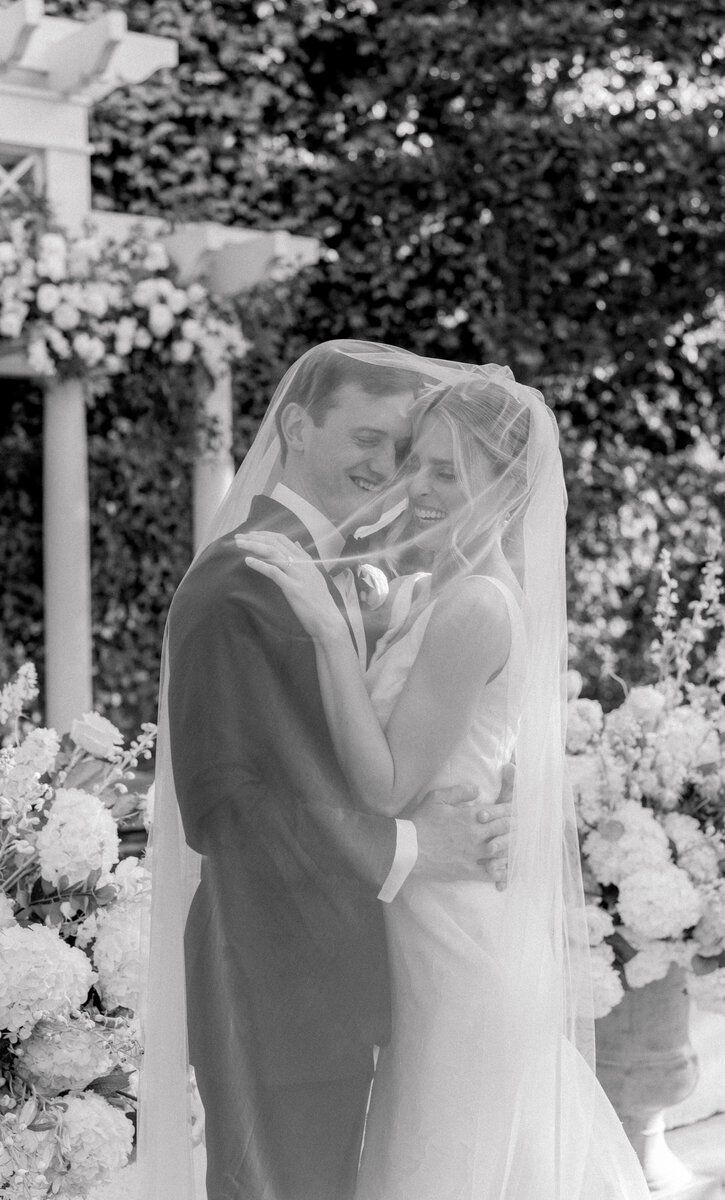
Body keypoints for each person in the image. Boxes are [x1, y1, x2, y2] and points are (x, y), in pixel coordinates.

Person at [236, 352, 652, 1199]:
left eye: (446, 471)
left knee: (450, 1158)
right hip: (427, 919)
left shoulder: (474, 606)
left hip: (455, 940)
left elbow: (389, 787)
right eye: (414, 460)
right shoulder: (438, 589)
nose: (416, 485)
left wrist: (322, 630)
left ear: (504, 491)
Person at [137, 341, 513, 1200]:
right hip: (271, 983)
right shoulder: (241, 580)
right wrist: (411, 850)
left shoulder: (353, 571)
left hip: (344, 979)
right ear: (298, 427)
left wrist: (494, 812)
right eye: (371, 438)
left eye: (407, 450)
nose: (389, 469)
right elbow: (229, 807)